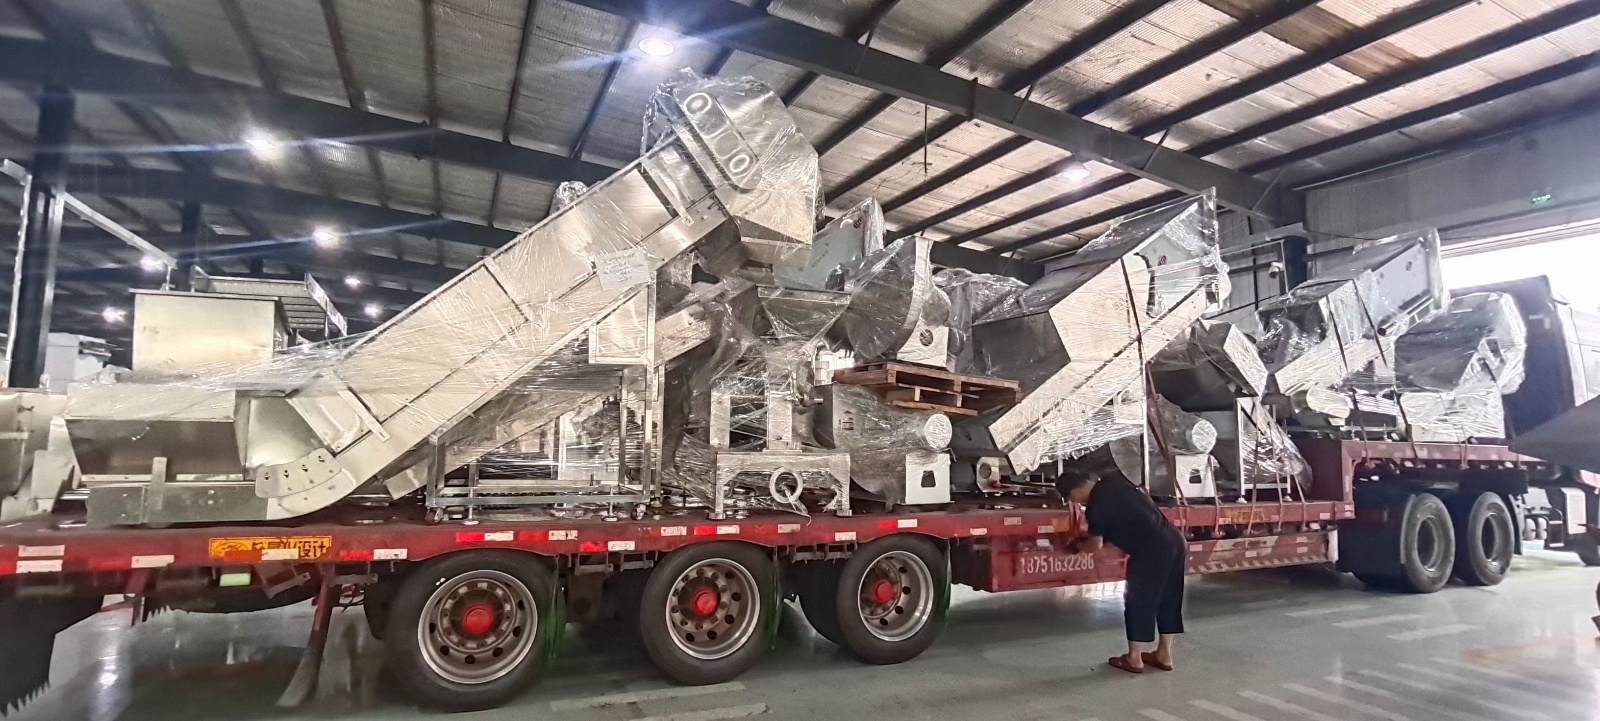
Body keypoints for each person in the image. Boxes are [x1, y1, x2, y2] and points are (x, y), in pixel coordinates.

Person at [1059, 471, 1186, 674]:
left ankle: (1134, 658)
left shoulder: (1095, 507)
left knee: (1138, 599)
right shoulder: (1113, 482)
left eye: (1072, 499)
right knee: (1168, 598)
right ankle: (1164, 654)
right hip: (1175, 541)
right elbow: (1127, 517)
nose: (1076, 503)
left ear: (1074, 493)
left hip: (1150, 550)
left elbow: (1095, 545)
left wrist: (1077, 547)